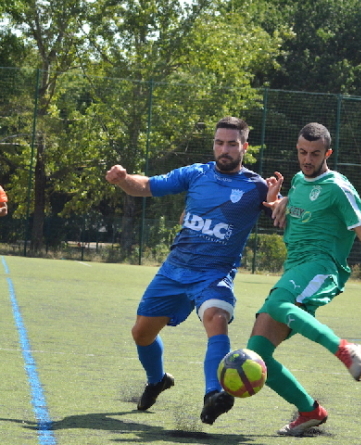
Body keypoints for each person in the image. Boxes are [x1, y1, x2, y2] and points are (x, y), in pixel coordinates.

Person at [244, 122, 361, 436]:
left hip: (321, 267)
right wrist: (277, 206)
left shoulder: (338, 187)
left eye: (315, 153)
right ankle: (309, 411)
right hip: (295, 269)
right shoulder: (300, 182)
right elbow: (298, 222)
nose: (307, 159)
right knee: (258, 354)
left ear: (327, 153)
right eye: (302, 152)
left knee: (277, 302)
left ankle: (344, 349)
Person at [105, 116, 280, 424]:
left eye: (231, 144)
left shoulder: (256, 187)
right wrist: (122, 179)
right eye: (219, 142)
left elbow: (281, 212)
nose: (224, 149)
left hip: (214, 274)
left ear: (245, 147)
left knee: (216, 318)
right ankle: (157, 379)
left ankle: (214, 394)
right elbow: (146, 186)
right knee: (141, 334)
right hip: (175, 269)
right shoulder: (195, 174)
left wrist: (277, 203)